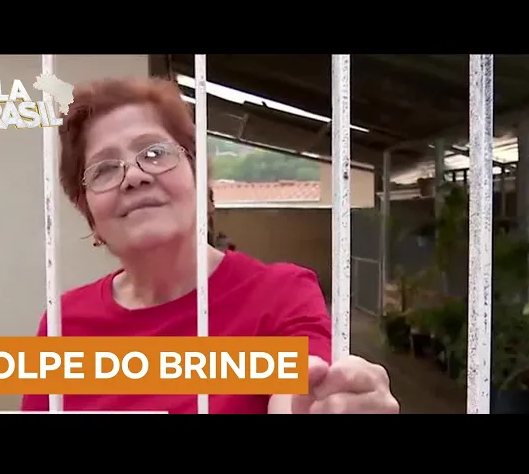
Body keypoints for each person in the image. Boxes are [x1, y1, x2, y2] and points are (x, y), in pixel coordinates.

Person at [21, 77, 399, 414]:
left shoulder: (280, 295)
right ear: (88, 210)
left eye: (154, 153)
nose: (133, 176)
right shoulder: (64, 324)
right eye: (103, 169)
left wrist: (323, 404)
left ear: (197, 176)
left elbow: (301, 391)